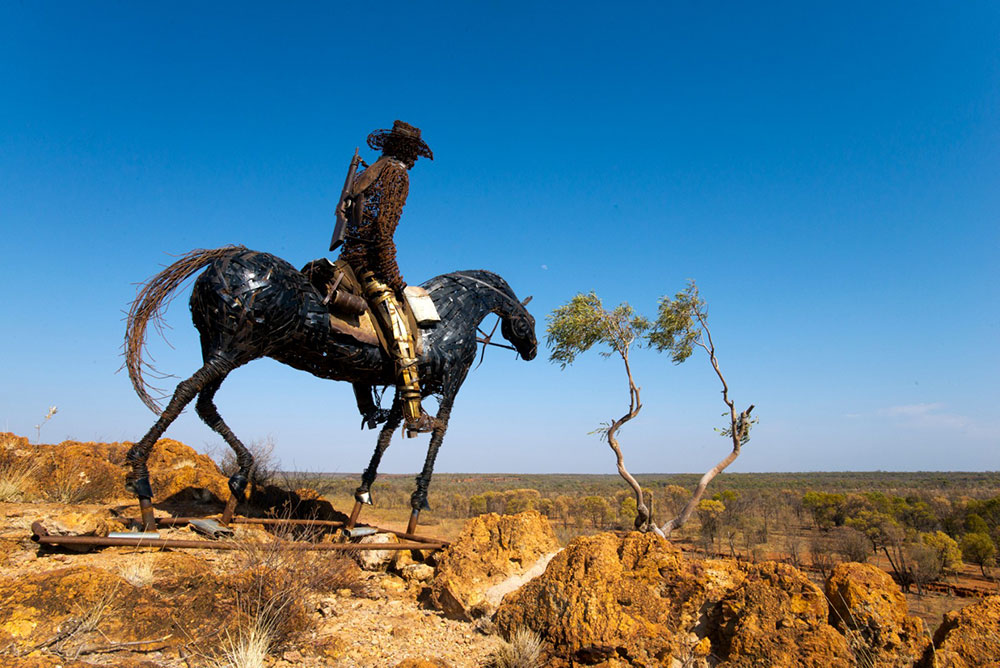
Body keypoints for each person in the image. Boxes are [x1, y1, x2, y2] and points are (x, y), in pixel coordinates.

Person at [339, 120, 436, 436]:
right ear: (408, 150)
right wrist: (394, 278)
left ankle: (367, 406)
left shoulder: (368, 173)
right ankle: (413, 413)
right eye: (414, 154)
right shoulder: (396, 173)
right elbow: (383, 231)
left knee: (361, 327)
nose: (414, 161)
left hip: (346, 262)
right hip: (369, 265)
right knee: (400, 331)